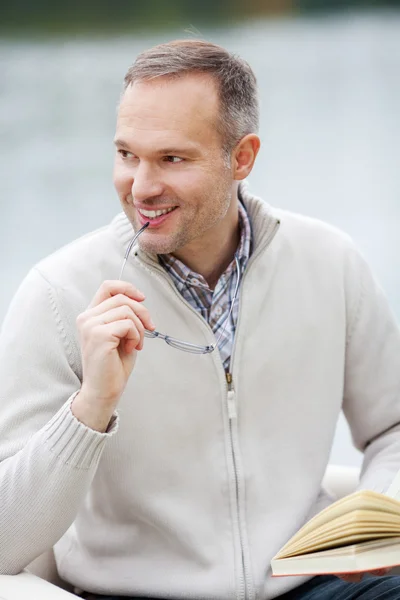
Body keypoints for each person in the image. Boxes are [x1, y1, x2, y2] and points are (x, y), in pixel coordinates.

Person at [0, 39, 400, 600]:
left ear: (242, 157)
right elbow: (3, 540)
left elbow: (392, 428)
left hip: (313, 585)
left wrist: (384, 518)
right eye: (126, 155)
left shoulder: (330, 262)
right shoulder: (55, 293)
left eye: (172, 158)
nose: (141, 187)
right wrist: (90, 408)